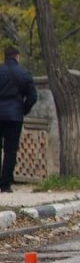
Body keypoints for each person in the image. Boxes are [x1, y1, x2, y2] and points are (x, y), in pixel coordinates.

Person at [0, 46, 37, 193]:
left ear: (5, 56)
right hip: (14, 117)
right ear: (17, 57)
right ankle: (5, 185)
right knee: (10, 150)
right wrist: (23, 109)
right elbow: (33, 97)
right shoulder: (24, 74)